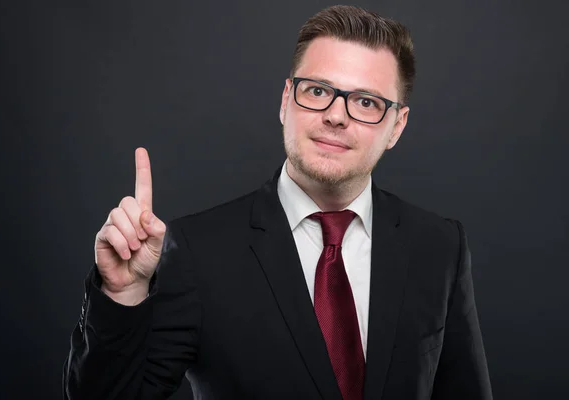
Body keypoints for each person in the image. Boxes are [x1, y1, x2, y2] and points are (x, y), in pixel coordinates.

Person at [63, 5, 493, 400]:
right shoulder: (197, 250)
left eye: (366, 102)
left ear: (396, 127)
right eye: (318, 91)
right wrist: (122, 295)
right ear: (287, 100)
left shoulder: (440, 246)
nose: (336, 115)